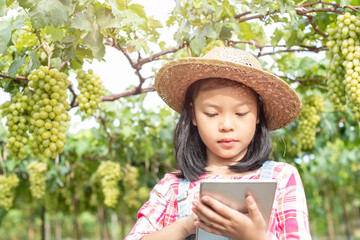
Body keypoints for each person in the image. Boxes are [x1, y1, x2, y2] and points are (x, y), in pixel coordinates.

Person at [125, 47, 311, 240]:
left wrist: (255, 237)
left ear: (258, 113)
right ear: (193, 114)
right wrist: (185, 227)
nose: (226, 125)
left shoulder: (281, 178)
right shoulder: (172, 187)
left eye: (241, 113)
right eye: (212, 114)